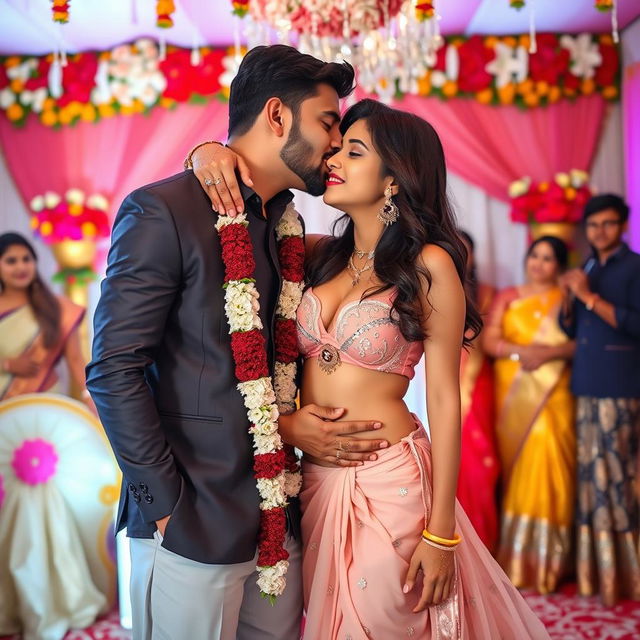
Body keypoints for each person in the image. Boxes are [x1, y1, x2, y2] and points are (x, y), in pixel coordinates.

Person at [193, 100, 549, 638]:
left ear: (394, 177)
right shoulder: (317, 257)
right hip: (313, 482)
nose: (332, 158)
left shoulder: (429, 265)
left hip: (392, 484)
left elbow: (445, 401)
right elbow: (239, 231)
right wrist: (203, 152)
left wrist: (442, 533)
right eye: (337, 147)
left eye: (353, 151)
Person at [87, 45, 392, 640]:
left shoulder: (292, 228)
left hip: (279, 520)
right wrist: (165, 505)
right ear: (277, 115)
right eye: (328, 122)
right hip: (191, 522)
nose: (335, 142)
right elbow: (114, 370)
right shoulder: (163, 210)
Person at [559, 194, 640, 606]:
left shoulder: (634, 267)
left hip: (620, 386)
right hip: (587, 383)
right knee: (591, 480)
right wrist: (570, 298)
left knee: (618, 478)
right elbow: (572, 329)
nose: (599, 232)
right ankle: (599, 574)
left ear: (622, 225)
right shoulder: (587, 266)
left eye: (608, 224)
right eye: (593, 226)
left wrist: (588, 296)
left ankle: (627, 577)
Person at [483, 236, 576, 595]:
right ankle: (521, 558)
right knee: (521, 467)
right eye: (535, 256)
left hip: (556, 393)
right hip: (515, 393)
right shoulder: (508, 297)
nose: (539, 264)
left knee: (554, 461)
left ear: (560, 265)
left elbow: (582, 343)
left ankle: (556, 560)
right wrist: (524, 352)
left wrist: (548, 354)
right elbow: (490, 343)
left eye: (549, 259)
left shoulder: (567, 298)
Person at [0, 232, 91, 405]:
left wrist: (89, 395)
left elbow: (75, 359)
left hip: (45, 400)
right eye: (11, 261)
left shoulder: (57, 307)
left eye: (27, 259)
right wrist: (7, 364)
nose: (21, 267)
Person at [456, 230, 499, 552]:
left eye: (464, 250)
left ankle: (483, 545)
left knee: (481, 460)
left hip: (477, 381)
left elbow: (490, 340)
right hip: (432, 384)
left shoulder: (486, 294)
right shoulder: (428, 287)